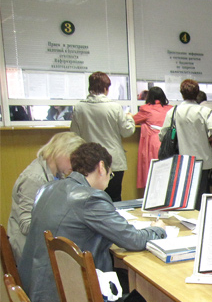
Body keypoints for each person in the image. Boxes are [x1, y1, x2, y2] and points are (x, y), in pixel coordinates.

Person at [17, 142, 167, 302]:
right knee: (143, 287)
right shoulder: (89, 198)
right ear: (101, 167)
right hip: (63, 298)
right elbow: (133, 240)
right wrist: (157, 230)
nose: (108, 180)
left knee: (125, 276)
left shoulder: (47, 188)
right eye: (111, 174)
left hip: (33, 290)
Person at [7, 132, 85, 263]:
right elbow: (26, 225)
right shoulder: (34, 179)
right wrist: (63, 224)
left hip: (41, 243)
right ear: (61, 152)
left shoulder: (58, 175)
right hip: (28, 249)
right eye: (73, 160)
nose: (75, 166)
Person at [70, 71, 135, 202]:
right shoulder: (114, 107)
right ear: (106, 88)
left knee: (90, 199)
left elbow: (74, 134)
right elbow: (127, 131)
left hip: (88, 161)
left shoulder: (79, 108)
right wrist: (130, 119)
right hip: (113, 161)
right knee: (114, 198)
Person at [159, 79, 212, 209]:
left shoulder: (173, 112)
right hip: (202, 162)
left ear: (182, 93)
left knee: (182, 198)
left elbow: (162, 135)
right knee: (200, 198)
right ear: (197, 93)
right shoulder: (204, 111)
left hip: (181, 162)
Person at [133, 87, 173, 188]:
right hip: (169, 143)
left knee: (154, 173)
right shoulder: (170, 109)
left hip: (154, 143)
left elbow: (133, 120)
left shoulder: (146, 109)